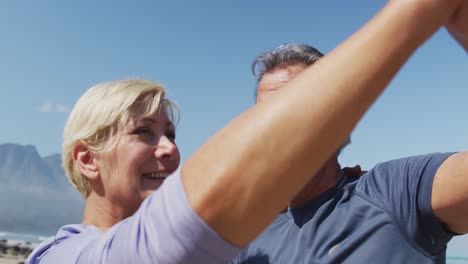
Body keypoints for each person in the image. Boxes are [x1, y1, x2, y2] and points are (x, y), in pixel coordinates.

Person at [27, 0, 467, 263]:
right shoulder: (61, 255)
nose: (168, 151)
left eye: (311, 107)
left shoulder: (396, 192)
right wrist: (416, 14)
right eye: (144, 132)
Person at [232, 7, 467, 264]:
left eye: (296, 106)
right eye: (264, 115)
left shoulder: (396, 193)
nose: (278, 124)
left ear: (338, 115)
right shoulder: (250, 244)